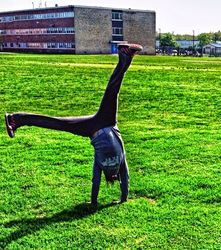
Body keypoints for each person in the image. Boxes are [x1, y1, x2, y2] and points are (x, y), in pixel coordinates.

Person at [5, 43, 143, 206]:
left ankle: (125, 56)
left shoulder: (119, 162)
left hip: (105, 123)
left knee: (113, 91)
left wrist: (118, 199)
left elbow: (120, 179)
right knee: (59, 123)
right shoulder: (107, 164)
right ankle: (16, 119)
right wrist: (96, 202)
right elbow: (97, 181)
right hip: (97, 127)